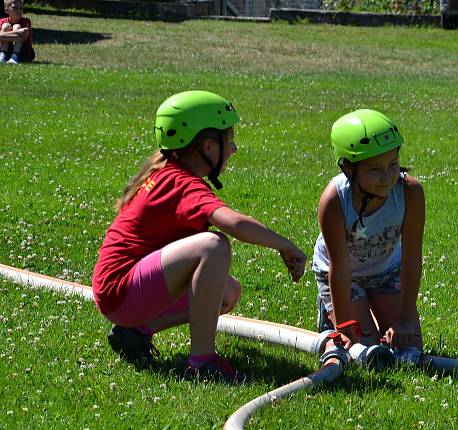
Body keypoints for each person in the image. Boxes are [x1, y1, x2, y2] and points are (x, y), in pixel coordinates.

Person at [92, 90, 306, 384]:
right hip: (120, 292)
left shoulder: (168, 172)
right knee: (214, 246)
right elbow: (235, 225)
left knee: (227, 293)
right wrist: (285, 244)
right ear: (208, 145)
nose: (234, 149)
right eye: (228, 142)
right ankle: (202, 363)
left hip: (120, 291)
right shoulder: (182, 183)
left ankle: (136, 332)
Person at [312, 109, 424, 352]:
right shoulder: (334, 201)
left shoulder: (410, 193)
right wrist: (343, 325)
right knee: (364, 350)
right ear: (348, 169)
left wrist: (405, 320)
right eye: (375, 169)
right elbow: (339, 269)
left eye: (393, 164)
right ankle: (328, 310)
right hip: (345, 276)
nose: (387, 177)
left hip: (387, 271)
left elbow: (411, 258)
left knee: (410, 348)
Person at [0, 0, 34, 64]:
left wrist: (2, 36)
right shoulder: (2, 21)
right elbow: (20, 37)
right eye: (15, 8)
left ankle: (14, 57)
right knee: (5, 26)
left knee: (17, 26)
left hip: (24, 52)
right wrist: (18, 32)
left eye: (21, 8)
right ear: (6, 10)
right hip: (8, 50)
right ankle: (2, 56)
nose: (18, 10)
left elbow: (23, 38)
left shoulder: (26, 21)